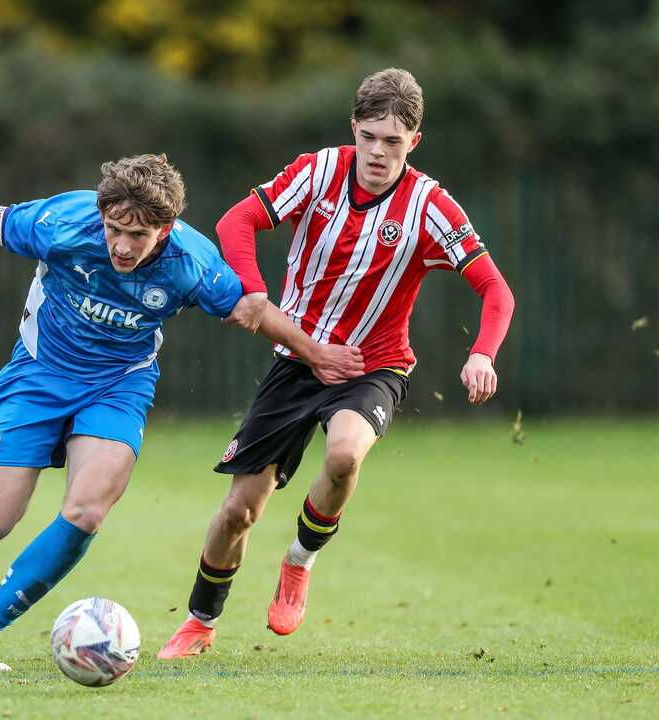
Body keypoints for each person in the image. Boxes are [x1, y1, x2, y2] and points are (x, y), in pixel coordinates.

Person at [0, 154, 362, 672]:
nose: (121, 245)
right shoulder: (61, 222)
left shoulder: (191, 261)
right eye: (114, 230)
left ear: (165, 229)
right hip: (37, 377)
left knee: (88, 508)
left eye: (137, 236)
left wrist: (318, 354)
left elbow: (250, 310)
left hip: (119, 387)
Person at [158, 68, 516, 659]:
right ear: (354, 127)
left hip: (373, 366)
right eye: (369, 135)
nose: (378, 151)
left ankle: (299, 561)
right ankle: (199, 621)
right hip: (298, 357)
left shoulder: (431, 208)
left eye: (393, 142)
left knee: (346, 452)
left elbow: (496, 290)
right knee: (238, 512)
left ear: (414, 142)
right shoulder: (319, 170)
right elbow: (235, 221)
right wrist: (254, 291)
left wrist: (483, 352)